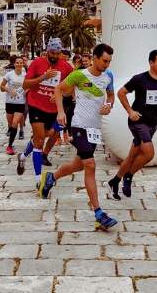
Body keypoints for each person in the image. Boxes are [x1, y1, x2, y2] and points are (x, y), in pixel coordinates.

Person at [37, 43, 117, 232]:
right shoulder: (79, 75)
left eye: (109, 61)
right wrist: (59, 112)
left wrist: (110, 105)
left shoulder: (109, 76)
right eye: (104, 60)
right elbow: (58, 89)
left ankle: (50, 178)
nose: (107, 64)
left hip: (95, 129)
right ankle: (99, 214)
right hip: (79, 125)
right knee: (90, 165)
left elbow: (111, 96)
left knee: (79, 165)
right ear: (95, 58)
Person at [109, 49, 157, 201]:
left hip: (152, 124)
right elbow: (121, 93)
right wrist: (130, 111)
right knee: (149, 154)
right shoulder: (140, 79)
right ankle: (129, 176)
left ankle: (115, 181)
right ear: (151, 63)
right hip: (138, 123)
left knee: (132, 156)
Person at [16, 38, 73, 181]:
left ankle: (23, 156)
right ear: (47, 51)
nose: (54, 57)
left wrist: (62, 94)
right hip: (35, 105)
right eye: (52, 54)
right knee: (40, 142)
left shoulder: (66, 67)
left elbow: (73, 87)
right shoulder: (37, 63)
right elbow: (25, 84)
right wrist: (43, 77)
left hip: (52, 109)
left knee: (48, 133)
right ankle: (38, 180)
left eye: (57, 54)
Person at [0, 56, 27, 154]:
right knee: (11, 124)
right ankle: (12, 135)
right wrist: (9, 90)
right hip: (10, 101)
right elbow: (1, 87)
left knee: (16, 123)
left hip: (20, 102)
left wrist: (26, 91)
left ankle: (10, 146)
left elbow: (30, 86)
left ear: (23, 64)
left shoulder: (26, 75)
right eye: (17, 63)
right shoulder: (9, 75)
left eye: (21, 63)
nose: (19, 64)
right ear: (14, 64)